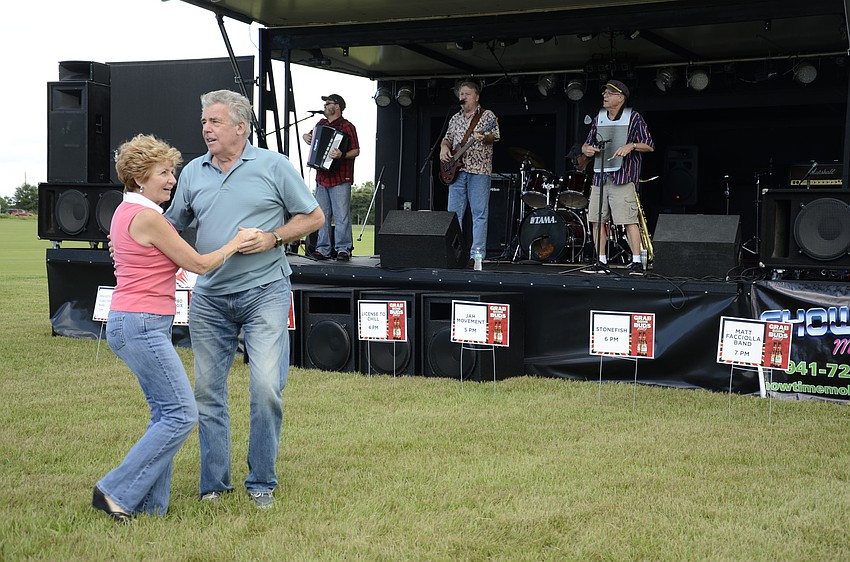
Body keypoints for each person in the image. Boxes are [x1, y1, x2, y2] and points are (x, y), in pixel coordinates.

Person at [165, 89, 324, 509]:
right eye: (203, 122)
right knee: (207, 393)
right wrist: (129, 237)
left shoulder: (274, 165)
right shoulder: (193, 173)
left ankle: (262, 482)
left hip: (265, 293)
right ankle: (214, 485)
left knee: (267, 388)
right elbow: (170, 225)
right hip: (210, 299)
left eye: (214, 122)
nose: (206, 129)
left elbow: (314, 216)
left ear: (241, 127)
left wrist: (273, 237)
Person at [94, 134, 255, 522]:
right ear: (138, 177)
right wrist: (237, 242)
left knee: (163, 413)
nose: (171, 179)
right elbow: (199, 264)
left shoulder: (127, 212)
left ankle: (150, 508)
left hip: (135, 322)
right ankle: (114, 490)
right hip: (142, 325)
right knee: (182, 415)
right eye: (163, 172)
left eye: (173, 171)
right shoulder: (148, 217)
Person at [581, 80, 654, 275]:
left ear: (620, 97)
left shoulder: (634, 117)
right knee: (597, 219)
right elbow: (586, 144)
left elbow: (649, 144)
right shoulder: (600, 117)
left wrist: (631, 146)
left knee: (628, 219)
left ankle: (637, 261)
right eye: (604, 92)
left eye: (610, 93)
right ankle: (601, 261)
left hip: (623, 176)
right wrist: (586, 149)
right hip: (600, 176)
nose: (604, 95)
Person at [439, 79, 500, 265]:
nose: (463, 97)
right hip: (457, 171)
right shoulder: (455, 118)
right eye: (461, 94)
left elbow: (494, 136)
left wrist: (484, 137)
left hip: (479, 170)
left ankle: (477, 254)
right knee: (453, 214)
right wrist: (443, 148)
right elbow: (447, 138)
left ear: (476, 96)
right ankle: (452, 252)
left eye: (466, 94)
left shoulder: (487, 116)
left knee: (479, 213)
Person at [302, 93, 360, 261]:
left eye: (328, 103)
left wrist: (341, 155)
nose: (325, 106)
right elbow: (311, 137)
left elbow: (356, 150)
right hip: (322, 178)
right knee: (322, 215)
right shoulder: (320, 124)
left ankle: (343, 248)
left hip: (341, 178)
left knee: (341, 215)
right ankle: (323, 248)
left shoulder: (347, 126)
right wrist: (306, 136)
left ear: (337, 106)